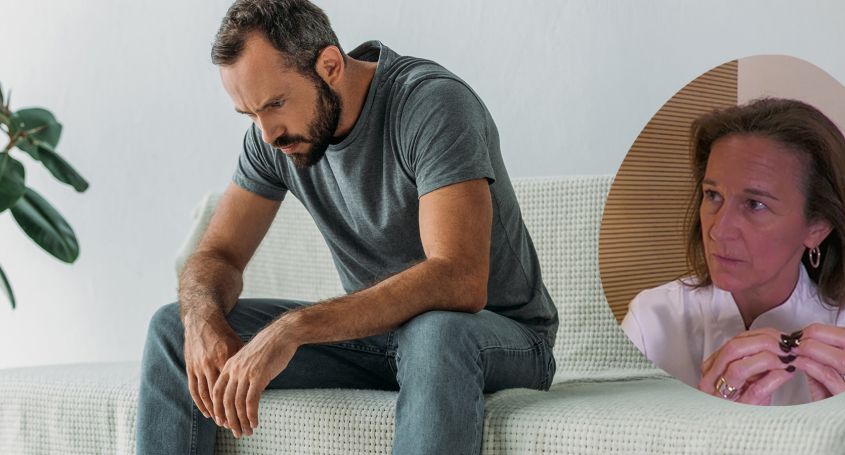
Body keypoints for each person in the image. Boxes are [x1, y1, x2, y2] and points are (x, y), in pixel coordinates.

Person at [135, 0, 557, 453]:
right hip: (378, 340)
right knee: (173, 329)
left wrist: (294, 328)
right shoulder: (274, 140)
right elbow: (219, 255)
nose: (268, 133)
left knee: (435, 331)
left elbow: (459, 278)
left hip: (496, 336)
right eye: (250, 114)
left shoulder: (431, 104)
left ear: (330, 66)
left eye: (276, 103)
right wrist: (201, 319)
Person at [622, 98, 845, 406]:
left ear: (817, 227)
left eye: (755, 204)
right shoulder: (652, 321)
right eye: (713, 195)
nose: (718, 230)